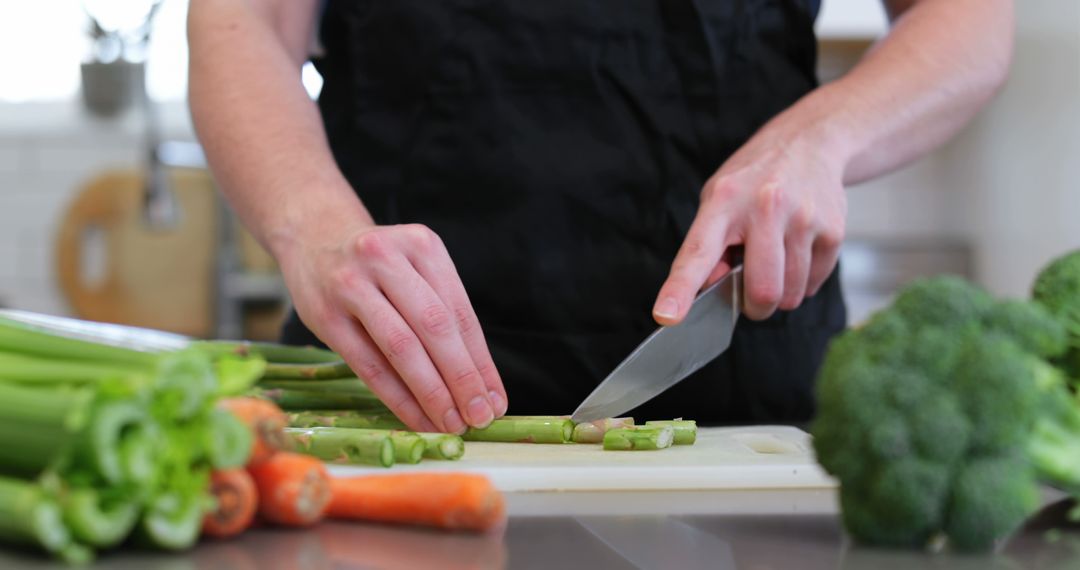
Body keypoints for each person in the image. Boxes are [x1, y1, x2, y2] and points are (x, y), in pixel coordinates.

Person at [188, 0, 1014, 433]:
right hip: (385, 383)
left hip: (740, 380)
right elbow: (244, 18)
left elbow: (969, 14)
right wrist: (314, 223)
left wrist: (824, 139)